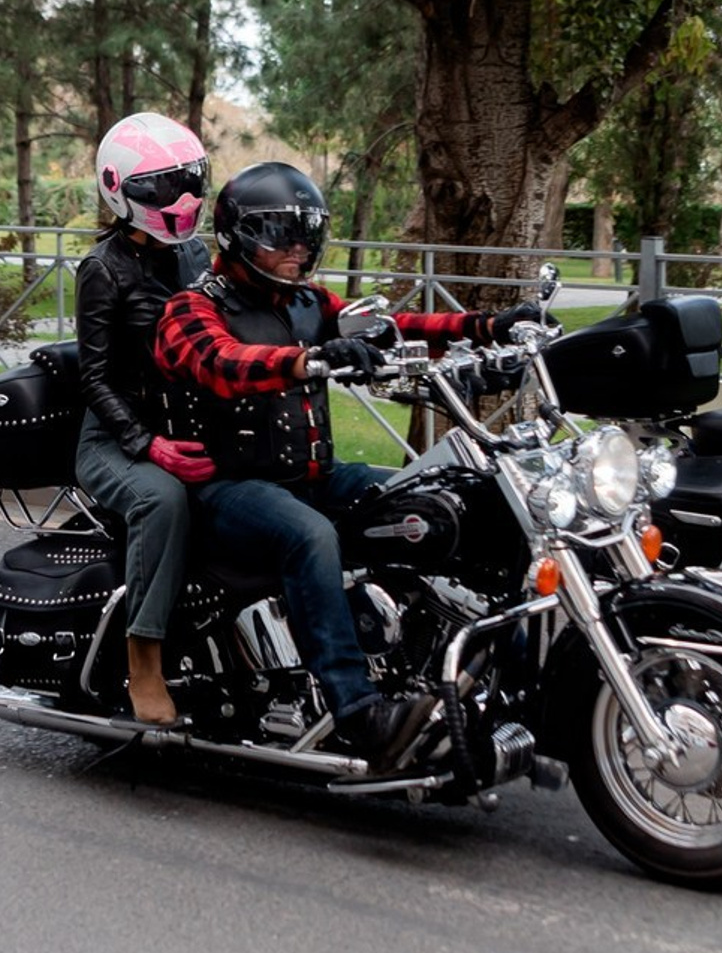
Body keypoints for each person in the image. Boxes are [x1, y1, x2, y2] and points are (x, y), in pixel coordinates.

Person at [151, 161, 540, 774]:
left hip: (313, 476)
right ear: (239, 234)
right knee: (311, 535)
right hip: (226, 486)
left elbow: (394, 328)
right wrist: (308, 359)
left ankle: (488, 677)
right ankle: (359, 711)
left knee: (439, 498)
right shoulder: (192, 308)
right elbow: (223, 364)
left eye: (306, 234)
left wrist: (489, 325)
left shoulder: (308, 301)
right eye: (282, 232)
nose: (299, 247)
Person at [75, 112, 216, 724]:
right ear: (120, 188)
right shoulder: (102, 268)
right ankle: (144, 659)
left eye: (189, 182)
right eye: (161, 188)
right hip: (113, 438)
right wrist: (147, 444)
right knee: (162, 501)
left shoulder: (196, 256)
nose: (180, 200)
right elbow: (95, 378)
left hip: (184, 426)